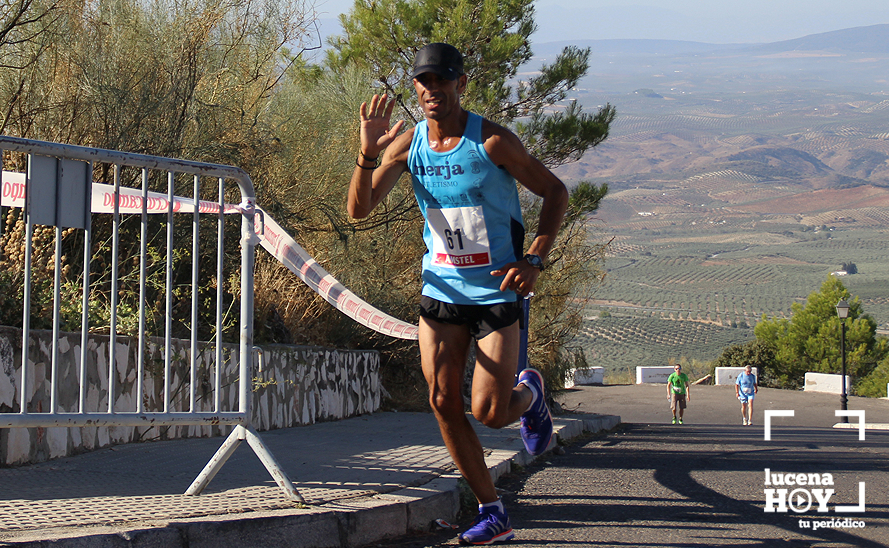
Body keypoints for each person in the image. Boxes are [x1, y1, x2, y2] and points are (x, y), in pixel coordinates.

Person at [346, 43, 568, 545]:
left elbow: (555, 192)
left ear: (461, 84)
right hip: (442, 289)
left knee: (490, 413)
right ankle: (494, 512)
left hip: (495, 292)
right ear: (416, 88)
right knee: (443, 400)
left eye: (442, 81)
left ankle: (530, 395)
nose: (432, 91)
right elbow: (358, 209)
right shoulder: (409, 146)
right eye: (423, 82)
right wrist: (367, 151)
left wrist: (534, 258)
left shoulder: (492, 142)